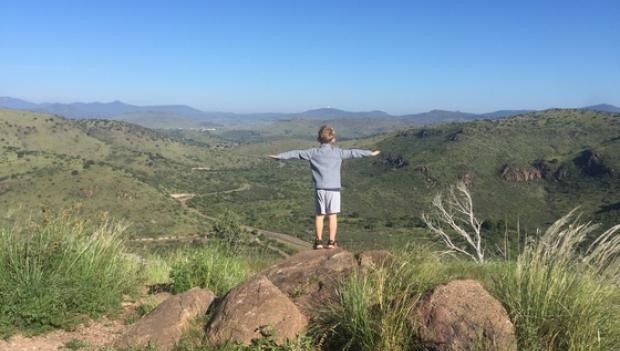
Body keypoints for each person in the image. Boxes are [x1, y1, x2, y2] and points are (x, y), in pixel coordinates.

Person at [268, 125, 380, 249]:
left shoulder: (312, 153)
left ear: (319, 139)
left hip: (319, 189)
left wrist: (279, 156)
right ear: (333, 139)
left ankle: (318, 242)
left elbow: (296, 153)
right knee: (332, 216)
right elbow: (354, 152)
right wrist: (371, 153)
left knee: (319, 215)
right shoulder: (338, 152)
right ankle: (331, 242)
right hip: (334, 189)